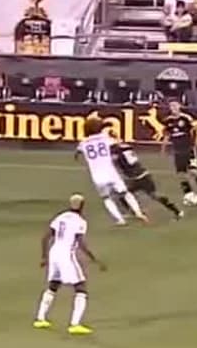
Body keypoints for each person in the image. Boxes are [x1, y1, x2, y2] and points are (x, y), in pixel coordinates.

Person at [33, 194, 105, 335]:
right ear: (82, 206)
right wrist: (94, 259)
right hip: (67, 255)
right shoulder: (80, 221)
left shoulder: (60, 217)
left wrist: (44, 257)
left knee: (53, 285)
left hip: (54, 253)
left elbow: (45, 237)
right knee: (80, 287)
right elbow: (81, 243)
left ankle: (40, 319)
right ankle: (75, 324)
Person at [76, 117, 145, 225]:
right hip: (111, 172)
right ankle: (138, 212)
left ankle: (120, 219)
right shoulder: (106, 138)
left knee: (106, 198)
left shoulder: (83, 143)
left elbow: (78, 153)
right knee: (125, 193)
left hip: (97, 175)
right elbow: (117, 147)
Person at [111, 141, 184, 220]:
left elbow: (121, 164)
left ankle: (176, 211)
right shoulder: (126, 151)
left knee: (123, 194)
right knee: (124, 194)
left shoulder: (119, 156)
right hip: (142, 176)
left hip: (137, 178)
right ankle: (176, 211)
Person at [163, 99, 197, 206]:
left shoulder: (186, 118)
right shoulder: (168, 120)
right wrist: (163, 147)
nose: (173, 108)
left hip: (188, 149)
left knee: (193, 171)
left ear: (179, 106)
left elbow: (196, 128)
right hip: (177, 151)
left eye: (175, 105)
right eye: (171, 106)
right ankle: (188, 194)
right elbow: (167, 135)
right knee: (181, 174)